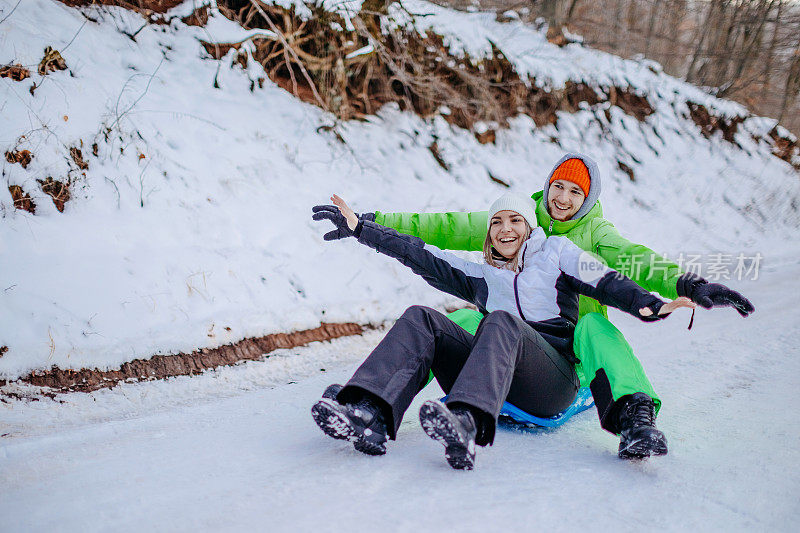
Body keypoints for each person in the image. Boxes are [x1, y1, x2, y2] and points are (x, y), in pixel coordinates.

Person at [311, 153, 754, 458]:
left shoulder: (591, 237)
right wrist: (367, 224)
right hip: (508, 331)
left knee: (593, 330)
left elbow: (631, 265)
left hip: (566, 341)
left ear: (588, 201)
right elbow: (442, 229)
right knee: (462, 317)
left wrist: (684, 286)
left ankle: (635, 415)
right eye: (557, 187)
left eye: (575, 193)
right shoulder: (517, 217)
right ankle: (371, 404)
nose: (562, 199)